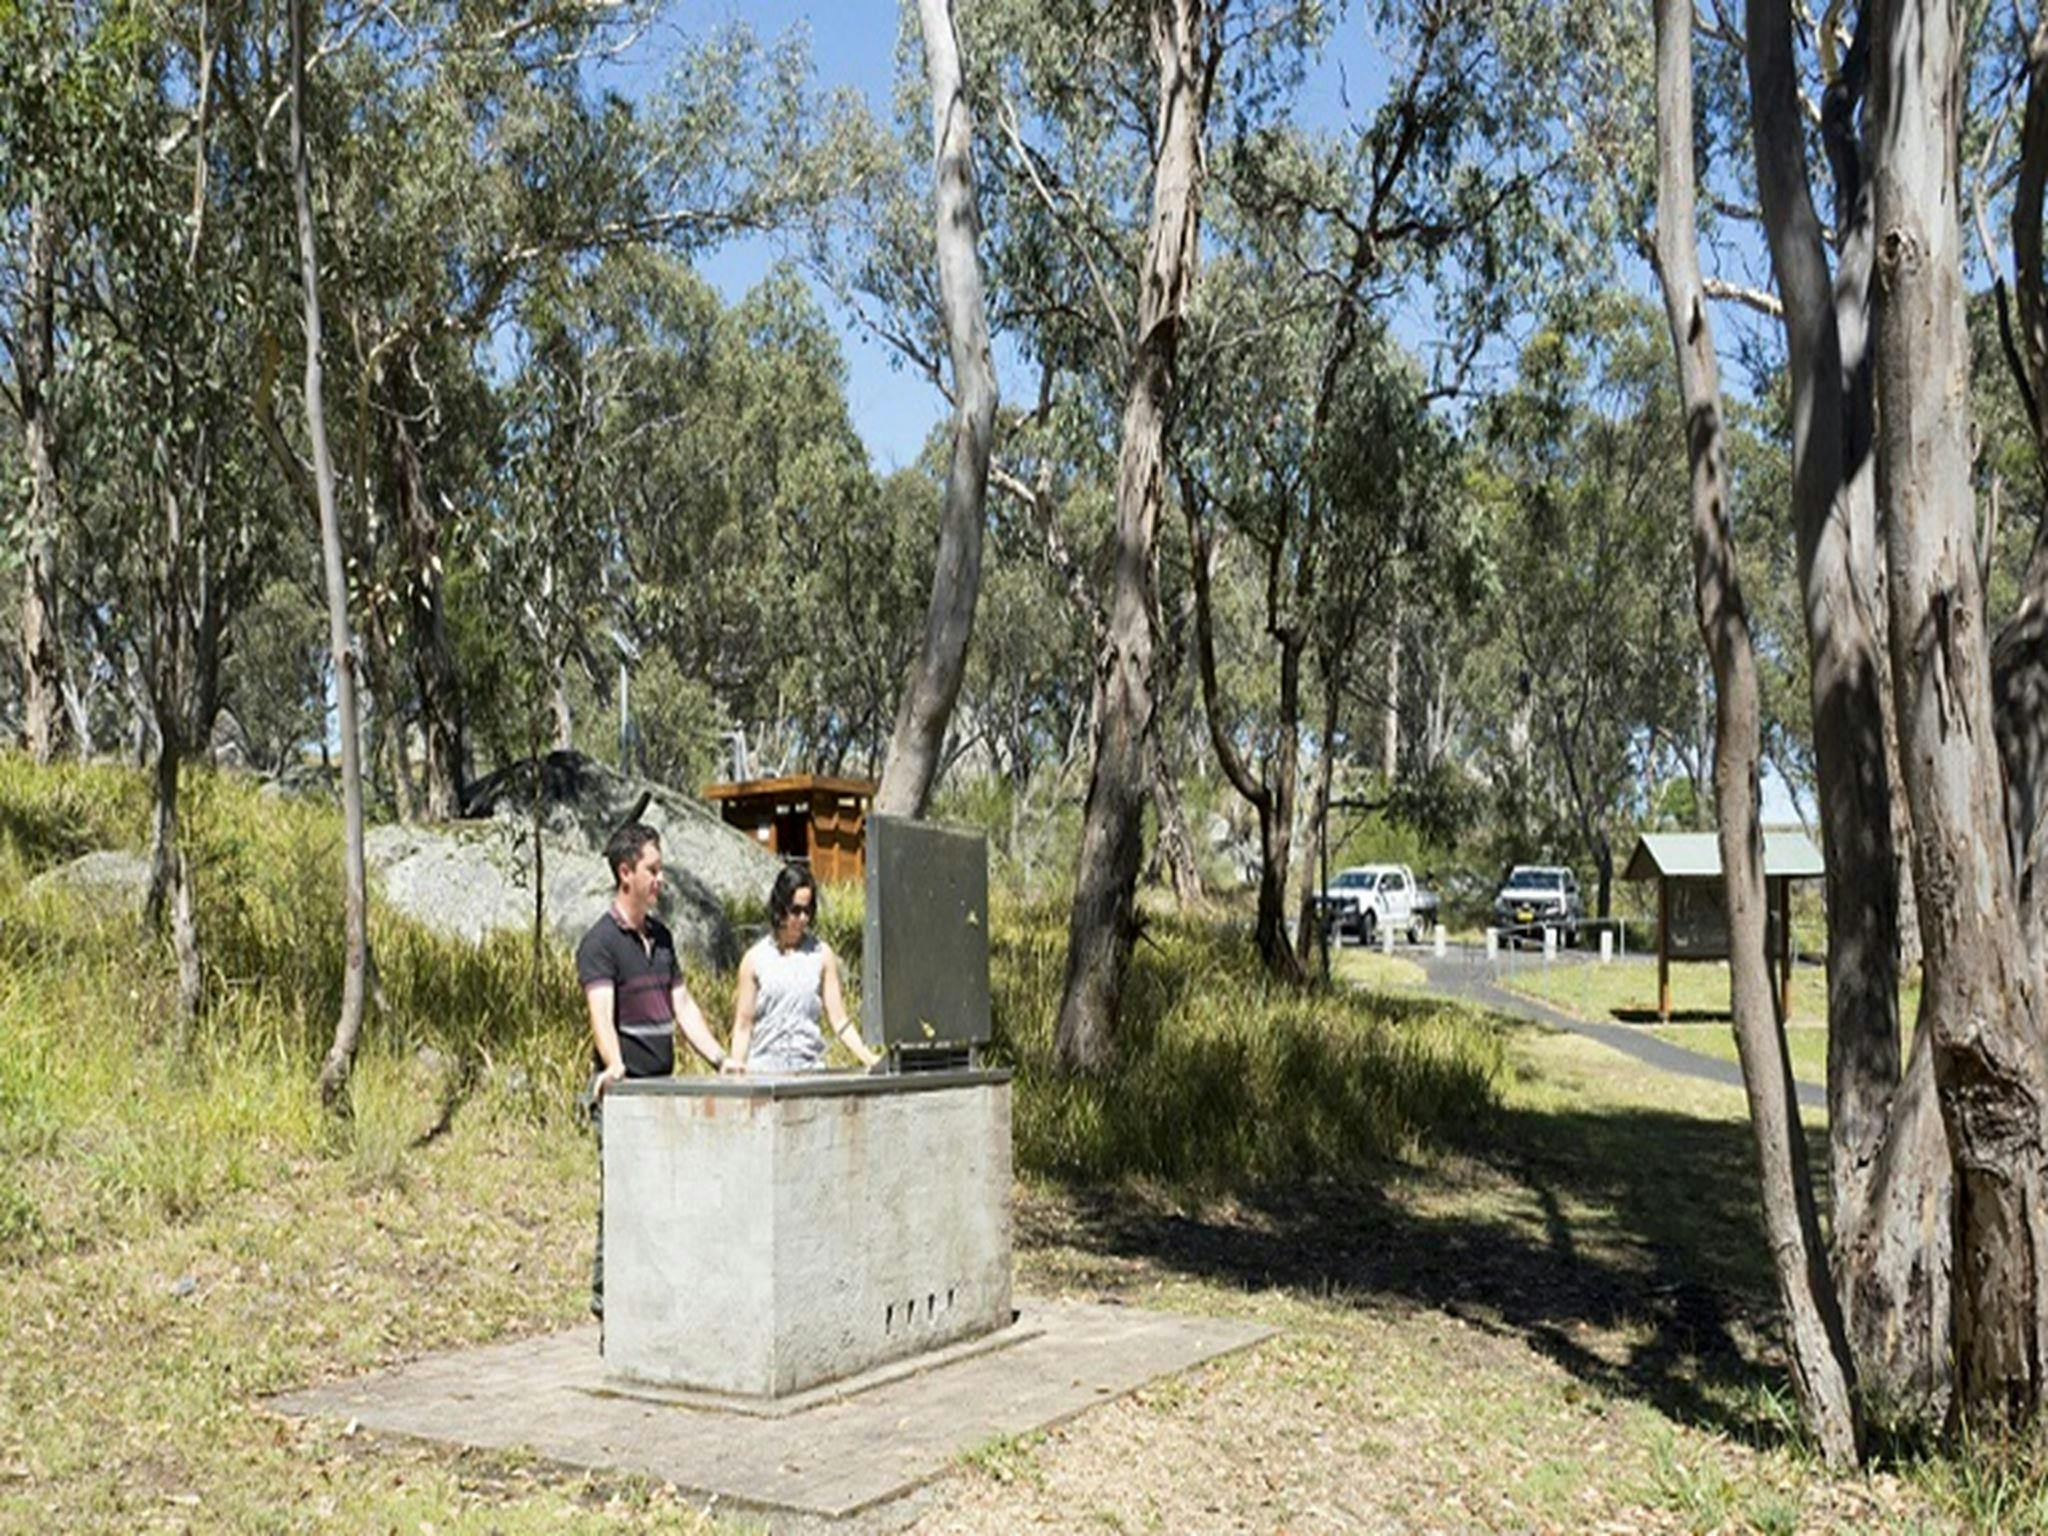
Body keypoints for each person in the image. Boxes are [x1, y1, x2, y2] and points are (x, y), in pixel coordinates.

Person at [576, 821, 736, 1320]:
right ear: (626, 873)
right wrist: (616, 1067)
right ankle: (609, 1305)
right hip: (627, 1096)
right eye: (653, 869)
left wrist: (720, 1057)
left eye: (660, 869)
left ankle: (661, 1298)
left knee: (669, 1199)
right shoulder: (599, 942)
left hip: (665, 1092)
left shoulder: (662, 937)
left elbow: (682, 1005)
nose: (660, 879)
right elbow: (601, 1013)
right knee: (624, 1201)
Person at [729, 864, 882, 1074]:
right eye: (796, 911)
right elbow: (743, 1026)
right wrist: (736, 1070)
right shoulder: (754, 959)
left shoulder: (822, 955)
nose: (803, 919)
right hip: (764, 1073)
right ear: (780, 908)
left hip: (810, 1070)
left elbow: (839, 1020)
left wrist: (869, 1058)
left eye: (808, 911)